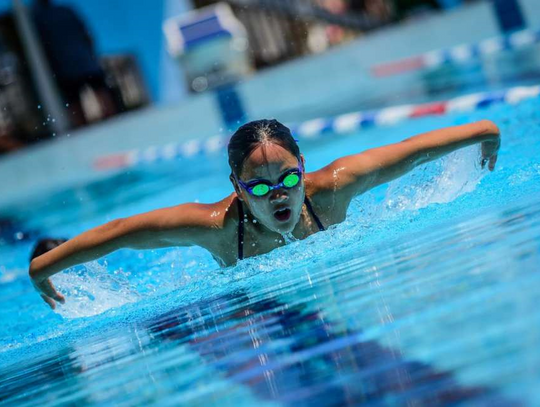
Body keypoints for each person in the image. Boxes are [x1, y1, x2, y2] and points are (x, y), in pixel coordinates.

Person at [29, 118, 500, 308]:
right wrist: (41, 270)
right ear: (237, 187)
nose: (279, 195)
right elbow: (120, 232)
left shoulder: (333, 190)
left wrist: (488, 137)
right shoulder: (217, 228)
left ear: (303, 167)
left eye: (288, 179)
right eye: (259, 186)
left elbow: (414, 149)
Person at [32, 0, 117, 126]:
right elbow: (87, 34)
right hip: (85, 61)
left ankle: (83, 130)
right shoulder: (66, 10)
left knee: (75, 103)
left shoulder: (38, 19)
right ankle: (113, 121)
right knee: (100, 93)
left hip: (65, 67)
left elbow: (42, 47)